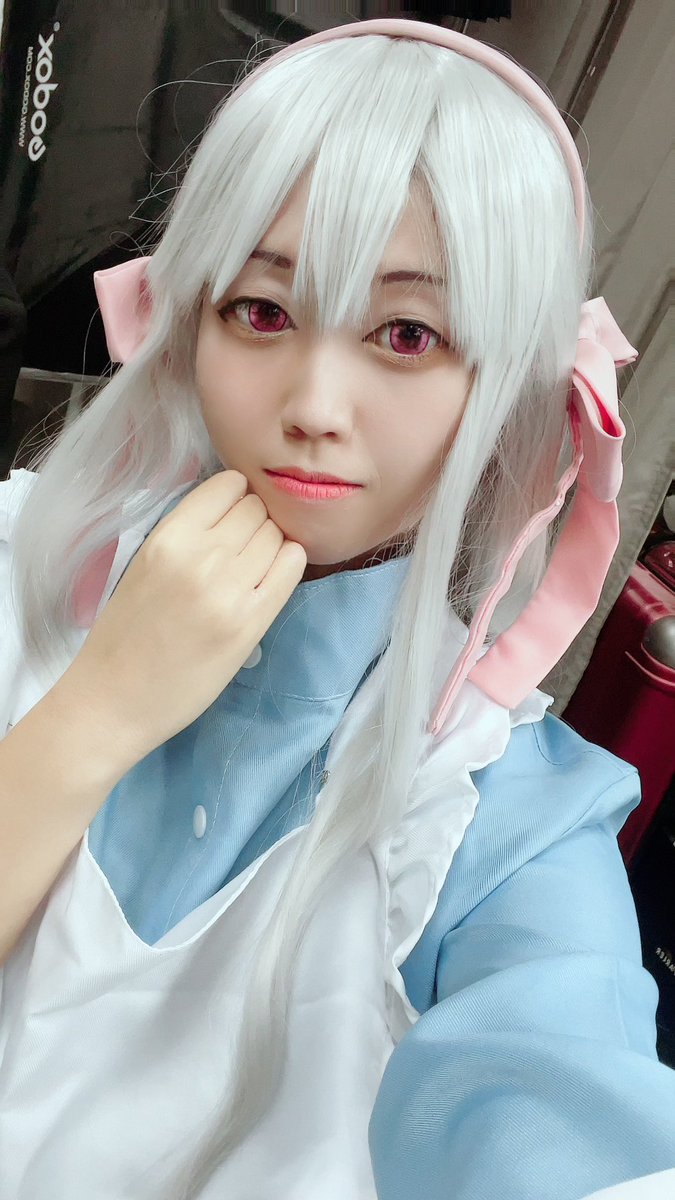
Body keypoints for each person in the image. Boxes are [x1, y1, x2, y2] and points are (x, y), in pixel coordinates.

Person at [0, 17, 674, 1200]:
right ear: (183, 315)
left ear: (510, 381)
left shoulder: (498, 826)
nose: (313, 403)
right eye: (263, 311)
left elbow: (563, 1112)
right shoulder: (18, 559)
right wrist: (94, 717)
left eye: (407, 334)